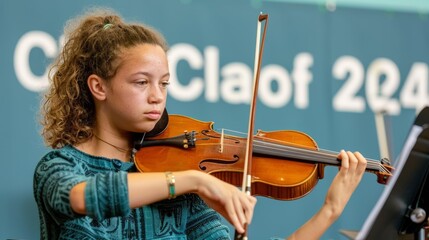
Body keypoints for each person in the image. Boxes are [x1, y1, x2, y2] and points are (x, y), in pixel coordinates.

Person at [33, 7, 367, 240]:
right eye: (141, 82)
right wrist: (194, 180)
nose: (157, 96)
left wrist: (329, 211)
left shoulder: (178, 189)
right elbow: (82, 198)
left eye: (163, 83)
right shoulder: (59, 167)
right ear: (98, 87)